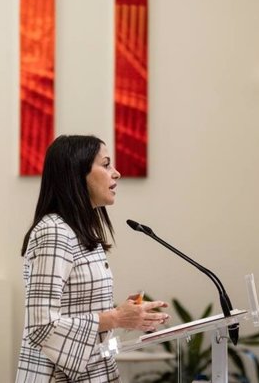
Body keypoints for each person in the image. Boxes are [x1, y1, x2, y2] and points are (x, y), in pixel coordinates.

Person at [16, 135, 169, 382]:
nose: (116, 173)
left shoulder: (77, 230)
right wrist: (116, 317)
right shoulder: (54, 232)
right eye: (106, 164)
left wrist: (123, 314)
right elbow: (41, 326)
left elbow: (72, 309)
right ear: (77, 174)